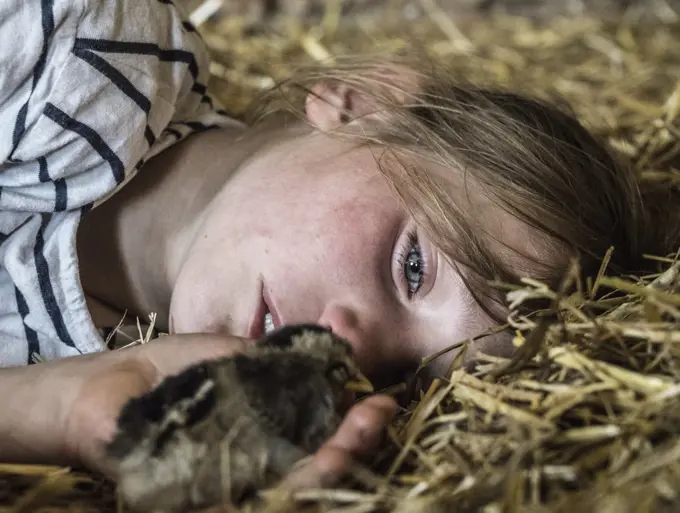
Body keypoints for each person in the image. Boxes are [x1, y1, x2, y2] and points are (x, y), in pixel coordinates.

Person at [1, 0, 678, 490]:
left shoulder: (119, 390)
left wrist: (55, 407)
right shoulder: (83, 57)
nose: (352, 352)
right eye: (412, 264)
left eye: (404, 380)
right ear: (362, 104)